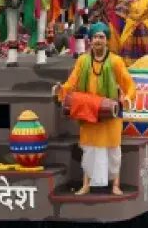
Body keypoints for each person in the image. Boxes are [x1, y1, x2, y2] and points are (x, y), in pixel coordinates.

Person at [58, 22, 136, 196]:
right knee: (89, 150)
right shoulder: (83, 60)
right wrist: (61, 90)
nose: (98, 40)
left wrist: (128, 97)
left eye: (101, 37)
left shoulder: (116, 61)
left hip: (110, 113)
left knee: (114, 150)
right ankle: (86, 184)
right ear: (90, 40)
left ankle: (115, 184)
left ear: (107, 40)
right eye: (95, 37)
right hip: (88, 112)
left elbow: (129, 83)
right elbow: (72, 82)